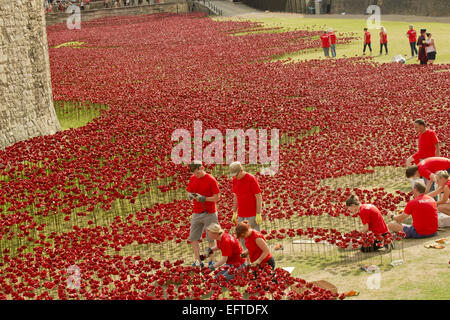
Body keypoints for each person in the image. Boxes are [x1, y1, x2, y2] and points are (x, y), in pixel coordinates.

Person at [186, 161, 220, 267]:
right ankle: (198, 261)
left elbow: (217, 197)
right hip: (197, 212)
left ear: (202, 168)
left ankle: (211, 260)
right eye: (194, 173)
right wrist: (190, 196)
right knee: (193, 238)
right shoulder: (193, 179)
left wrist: (204, 198)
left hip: (210, 213)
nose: (197, 175)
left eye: (198, 172)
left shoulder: (211, 180)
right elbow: (189, 191)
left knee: (211, 238)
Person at [230, 162, 263, 250]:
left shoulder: (251, 178)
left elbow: (258, 196)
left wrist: (258, 213)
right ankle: (247, 260)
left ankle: (259, 259)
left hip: (252, 214)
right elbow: (236, 196)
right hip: (241, 214)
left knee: (254, 237)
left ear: (241, 171)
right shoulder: (235, 180)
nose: (235, 177)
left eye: (236, 175)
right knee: (242, 238)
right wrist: (234, 212)